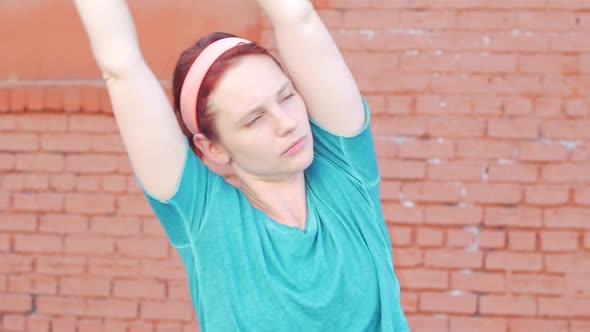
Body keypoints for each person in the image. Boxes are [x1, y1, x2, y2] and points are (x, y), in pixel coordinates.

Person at [74, 0, 409, 331]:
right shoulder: (207, 219)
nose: (287, 123)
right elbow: (121, 69)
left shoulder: (345, 173)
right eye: (254, 119)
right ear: (213, 148)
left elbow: (298, 17)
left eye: (286, 96)